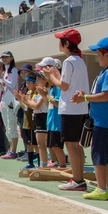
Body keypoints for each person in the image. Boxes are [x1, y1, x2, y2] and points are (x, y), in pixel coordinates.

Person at [72, 36, 108, 201]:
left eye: (99, 53)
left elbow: (105, 95)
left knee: (98, 154)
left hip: (103, 119)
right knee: (106, 154)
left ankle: (102, 189)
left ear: (107, 55)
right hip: (104, 118)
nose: (97, 57)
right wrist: (86, 96)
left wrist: (85, 98)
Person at [43, 28, 89, 191]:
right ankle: (79, 178)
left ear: (67, 43)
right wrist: (56, 75)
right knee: (76, 145)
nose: (58, 43)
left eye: (61, 40)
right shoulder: (80, 61)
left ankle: (77, 179)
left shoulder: (69, 61)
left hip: (70, 108)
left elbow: (64, 86)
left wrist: (51, 77)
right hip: (79, 108)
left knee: (71, 144)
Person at [38, 57, 65, 168]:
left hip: (57, 123)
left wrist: (46, 96)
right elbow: (49, 103)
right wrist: (44, 95)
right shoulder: (53, 88)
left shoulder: (58, 88)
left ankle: (62, 165)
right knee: (51, 145)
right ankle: (54, 162)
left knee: (56, 146)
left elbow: (58, 103)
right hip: (51, 122)